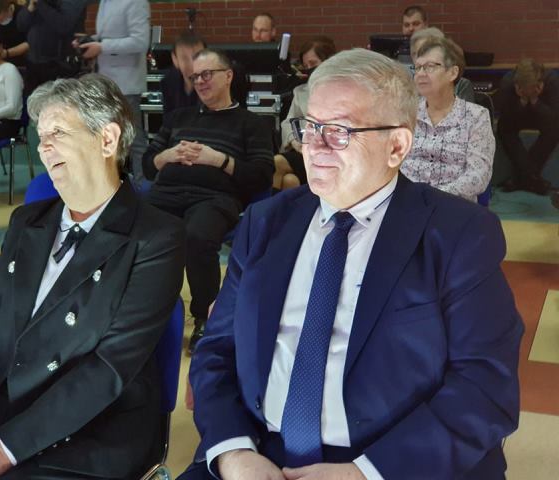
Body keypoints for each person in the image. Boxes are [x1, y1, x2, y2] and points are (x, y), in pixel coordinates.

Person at [179, 48, 523, 480]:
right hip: (259, 454)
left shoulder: (459, 234)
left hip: (392, 462)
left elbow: (486, 386)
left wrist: (365, 473)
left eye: (339, 131)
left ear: (397, 145)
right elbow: (217, 351)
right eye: (310, 127)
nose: (314, 147)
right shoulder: (266, 223)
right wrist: (233, 452)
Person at [0, 73, 185, 480]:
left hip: (89, 431)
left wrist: (2, 452)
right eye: (41, 136)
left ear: (107, 139)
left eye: (58, 133)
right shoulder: (27, 221)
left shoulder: (156, 237)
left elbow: (109, 368)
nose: (43, 148)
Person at [142, 49, 274, 354]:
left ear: (228, 76)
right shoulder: (178, 117)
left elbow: (262, 177)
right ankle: (145, 313)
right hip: (166, 194)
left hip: (215, 198)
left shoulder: (252, 123)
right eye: (195, 77)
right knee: (136, 232)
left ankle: (205, 317)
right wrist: (167, 155)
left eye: (206, 75)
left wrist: (219, 160)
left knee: (197, 237)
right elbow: (148, 165)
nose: (199, 82)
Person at [401, 37, 494, 202]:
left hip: (453, 206)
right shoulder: (406, 113)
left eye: (430, 67)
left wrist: (433, 198)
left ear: (453, 73)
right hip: (409, 203)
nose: (420, 74)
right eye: (418, 67)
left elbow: (478, 176)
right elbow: (392, 164)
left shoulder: (476, 117)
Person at [76, 0, 150, 184]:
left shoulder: (136, 2)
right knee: (111, 139)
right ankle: (116, 185)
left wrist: (102, 47)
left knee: (134, 140)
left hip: (127, 83)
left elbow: (140, 41)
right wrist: (90, 40)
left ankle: (144, 186)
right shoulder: (106, 2)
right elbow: (108, 36)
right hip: (107, 81)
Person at [274, 36, 336, 191]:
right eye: (306, 65)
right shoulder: (301, 91)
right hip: (302, 150)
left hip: (328, 152)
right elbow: (288, 122)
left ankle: (265, 208)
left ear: (329, 61)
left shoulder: (341, 90)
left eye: (313, 64)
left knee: (276, 163)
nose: (309, 68)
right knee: (289, 181)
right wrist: (294, 141)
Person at [496, 59, 559, 195]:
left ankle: (520, 178)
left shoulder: (552, 80)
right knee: (503, 127)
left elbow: (554, 116)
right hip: (517, 115)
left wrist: (535, 101)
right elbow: (504, 114)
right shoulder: (508, 82)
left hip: (542, 116)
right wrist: (522, 101)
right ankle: (533, 179)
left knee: (555, 129)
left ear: (539, 83)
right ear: (518, 85)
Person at [16, 0, 92, 94]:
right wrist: (30, 9)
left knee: (59, 100)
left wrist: (40, 4)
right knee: (33, 99)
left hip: (60, 64)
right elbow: (21, 26)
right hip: (33, 62)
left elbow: (63, 25)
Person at [409, 27, 475, 103]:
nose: (422, 59)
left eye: (427, 52)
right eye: (417, 54)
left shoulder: (461, 85)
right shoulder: (405, 83)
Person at [160, 31, 206, 116]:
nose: (192, 64)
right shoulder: (168, 83)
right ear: (175, 59)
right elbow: (168, 119)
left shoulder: (214, 83)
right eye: (184, 58)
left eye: (197, 56)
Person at [0, 0, 29, 68]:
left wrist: (7, 53)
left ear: (9, 9)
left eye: (2, 19)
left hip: (23, 60)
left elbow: (30, 43)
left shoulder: (23, 14)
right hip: (0, 60)